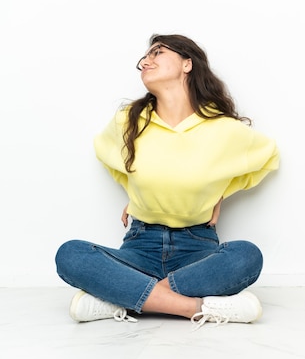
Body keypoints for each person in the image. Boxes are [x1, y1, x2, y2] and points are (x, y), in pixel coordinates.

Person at [55, 34, 279, 329]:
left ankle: (121, 297)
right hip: (140, 247)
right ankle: (193, 307)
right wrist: (135, 191)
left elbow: (269, 157)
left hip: (198, 249)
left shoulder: (223, 129)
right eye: (144, 58)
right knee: (70, 254)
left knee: (247, 256)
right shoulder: (129, 121)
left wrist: (222, 194)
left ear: (188, 64)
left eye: (157, 53)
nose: (145, 62)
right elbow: (106, 154)